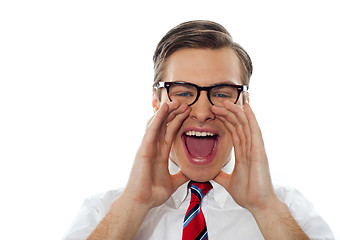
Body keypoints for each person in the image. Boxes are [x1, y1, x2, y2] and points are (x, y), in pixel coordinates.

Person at [63, 20, 334, 240]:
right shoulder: (101, 212)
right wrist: (133, 205)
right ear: (157, 102)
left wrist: (265, 208)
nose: (202, 112)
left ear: (244, 103)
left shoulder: (290, 211)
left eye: (222, 93)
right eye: (182, 92)